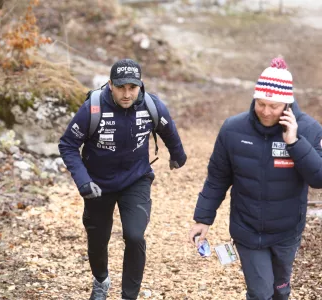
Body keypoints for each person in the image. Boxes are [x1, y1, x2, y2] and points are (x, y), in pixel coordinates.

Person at [189, 57, 322, 300]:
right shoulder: (233, 129)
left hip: (286, 230)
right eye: (261, 104)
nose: (266, 112)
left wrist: (294, 142)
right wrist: (202, 218)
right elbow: (217, 178)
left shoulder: (310, 130)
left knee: (280, 291)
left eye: (274, 106)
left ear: (287, 104)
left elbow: (319, 178)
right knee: (260, 293)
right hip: (247, 229)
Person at [59, 58, 187, 300]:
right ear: (110, 85)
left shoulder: (151, 105)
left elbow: (168, 129)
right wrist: (83, 181)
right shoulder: (93, 108)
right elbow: (67, 144)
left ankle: (129, 295)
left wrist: (178, 155)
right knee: (98, 238)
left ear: (140, 85)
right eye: (121, 87)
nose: (127, 94)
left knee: (135, 235)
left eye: (132, 87)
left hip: (135, 180)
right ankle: (100, 280)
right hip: (97, 184)